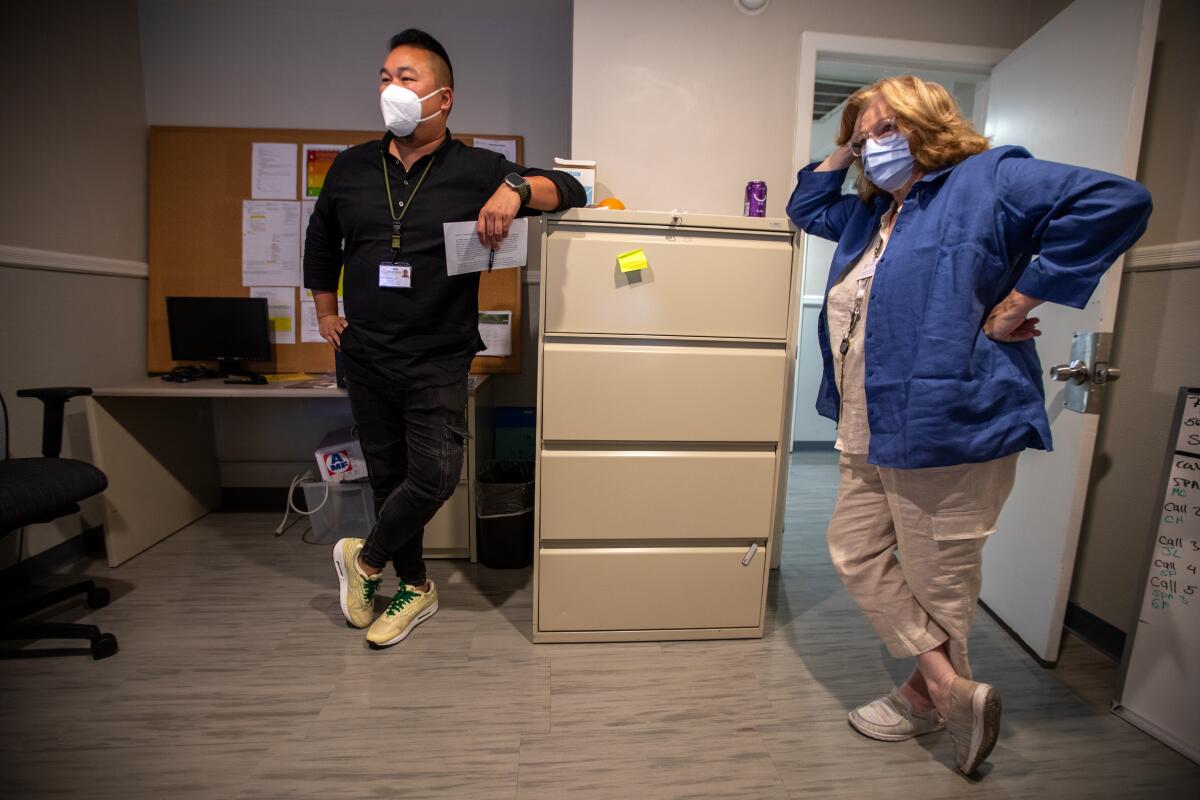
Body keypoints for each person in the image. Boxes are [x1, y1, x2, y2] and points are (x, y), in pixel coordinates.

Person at [787, 75, 1151, 774]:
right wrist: (843, 146)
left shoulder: (991, 179)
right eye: (862, 137)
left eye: (885, 129)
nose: (871, 146)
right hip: (870, 419)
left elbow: (1116, 201)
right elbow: (808, 206)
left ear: (928, 121)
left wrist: (1017, 303)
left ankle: (929, 705)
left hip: (949, 418)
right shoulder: (868, 214)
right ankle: (950, 688)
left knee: (938, 579)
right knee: (854, 550)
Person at [303, 29, 585, 649]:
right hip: (366, 351)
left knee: (433, 475)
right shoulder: (351, 167)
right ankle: (415, 585)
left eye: (407, 78)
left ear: (443, 97)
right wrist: (326, 314)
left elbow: (572, 190)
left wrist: (514, 190)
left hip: (438, 354)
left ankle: (366, 558)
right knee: (388, 477)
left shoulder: (479, 168)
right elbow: (322, 243)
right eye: (384, 77)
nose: (391, 90)